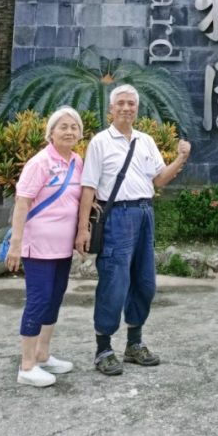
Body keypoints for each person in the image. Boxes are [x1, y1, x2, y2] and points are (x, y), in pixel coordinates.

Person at [75, 83, 191, 376]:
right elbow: (88, 186)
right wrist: (82, 229)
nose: (127, 108)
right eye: (121, 103)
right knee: (114, 283)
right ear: (111, 109)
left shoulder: (145, 141)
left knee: (144, 282)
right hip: (116, 217)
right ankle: (103, 348)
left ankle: (134, 344)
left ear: (137, 109)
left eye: (132, 104)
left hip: (144, 213)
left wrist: (180, 158)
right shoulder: (101, 142)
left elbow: (159, 180)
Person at [6, 105, 84, 388]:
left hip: (62, 247)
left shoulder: (77, 161)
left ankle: (43, 353)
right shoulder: (39, 162)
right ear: (50, 133)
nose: (69, 131)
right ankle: (27, 366)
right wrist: (16, 244)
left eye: (74, 127)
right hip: (36, 246)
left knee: (54, 299)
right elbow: (22, 202)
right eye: (63, 126)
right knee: (38, 301)